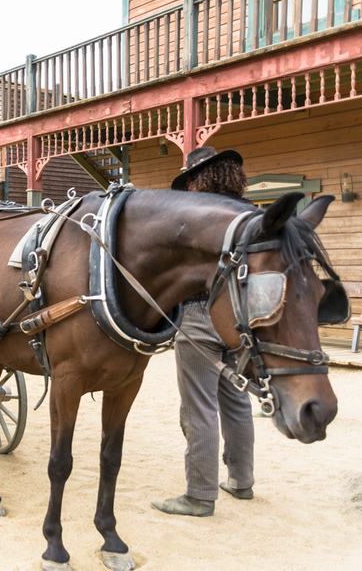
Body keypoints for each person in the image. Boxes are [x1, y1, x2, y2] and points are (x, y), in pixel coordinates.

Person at [151, 146, 255, 517]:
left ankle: (199, 495)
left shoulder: (195, 218)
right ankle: (241, 481)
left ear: (199, 180)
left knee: (199, 408)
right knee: (237, 400)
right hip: (242, 318)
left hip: (199, 314)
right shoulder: (250, 214)